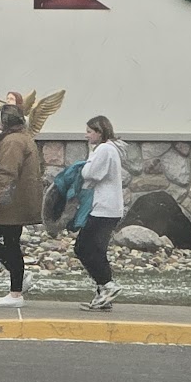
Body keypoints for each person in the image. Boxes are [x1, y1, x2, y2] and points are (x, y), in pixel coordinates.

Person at [0, 103, 44, 307]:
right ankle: (18, 282)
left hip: (9, 203)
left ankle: (16, 292)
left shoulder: (13, 142)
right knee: (8, 243)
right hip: (14, 201)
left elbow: (6, 174)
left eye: (1, 118)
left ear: (7, 121)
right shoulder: (19, 139)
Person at [76, 115, 125, 311]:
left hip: (103, 208)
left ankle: (107, 284)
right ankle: (103, 295)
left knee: (82, 247)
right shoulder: (111, 149)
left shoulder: (104, 149)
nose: (86, 135)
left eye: (89, 131)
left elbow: (91, 174)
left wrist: (87, 162)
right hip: (111, 208)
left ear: (99, 132)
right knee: (98, 251)